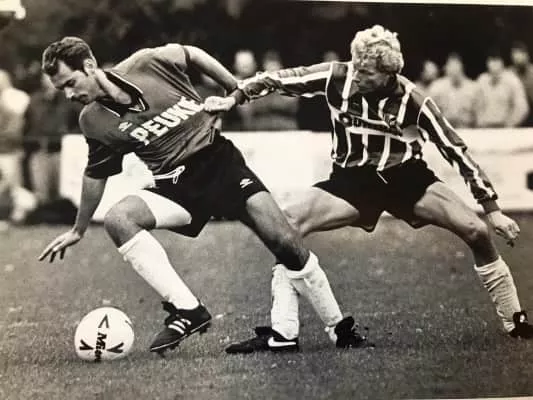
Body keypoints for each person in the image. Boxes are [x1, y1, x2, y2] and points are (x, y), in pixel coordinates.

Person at [205, 25, 533, 353]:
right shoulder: (337, 76)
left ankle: (513, 319)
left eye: (367, 73)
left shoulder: (412, 99)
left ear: (389, 74)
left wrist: (492, 210)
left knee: (476, 230)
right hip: (353, 181)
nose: (358, 76)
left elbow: (455, 149)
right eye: (356, 66)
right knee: (286, 227)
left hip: (406, 178)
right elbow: (278, 79)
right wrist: (233, 98)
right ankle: (284, 331)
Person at [37, 37, 365, 355]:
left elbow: (190, 53)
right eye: (61, 89)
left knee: (285, 241)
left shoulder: (146, 63)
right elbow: (95, 173)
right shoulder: (92, 121)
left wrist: (233, 87)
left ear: (89, 65)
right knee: (119, 219)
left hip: (220, 164)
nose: (69, 94)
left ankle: (337, 327)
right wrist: (78, 229)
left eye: (70, 83)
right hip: (175, 185)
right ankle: (187, 309)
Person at [474, 50, 529, 128]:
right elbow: (476, 105)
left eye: (497, 61)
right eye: (491, 61)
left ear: (502, 63)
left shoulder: (512, 80)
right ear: (487, 63)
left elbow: (522, 107)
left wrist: (509, 124)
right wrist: (480, 122)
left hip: (505, 127)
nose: (494, 65)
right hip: (484, 127)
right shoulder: (481, 80)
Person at [428, 53, 476, 128]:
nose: (454, 72)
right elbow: (430, 113)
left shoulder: (473, 88)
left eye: (457, 68)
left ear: (462, 68)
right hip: (443, 129)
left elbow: (478, 117)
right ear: (446, 68)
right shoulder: (436, 87)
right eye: (451, 68)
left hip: (467, 129)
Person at [509, 41, 533, 127]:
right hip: (515, 116)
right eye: (515, 57)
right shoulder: (509, 74)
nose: (518, 59)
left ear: (527, 56)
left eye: (521, 55)